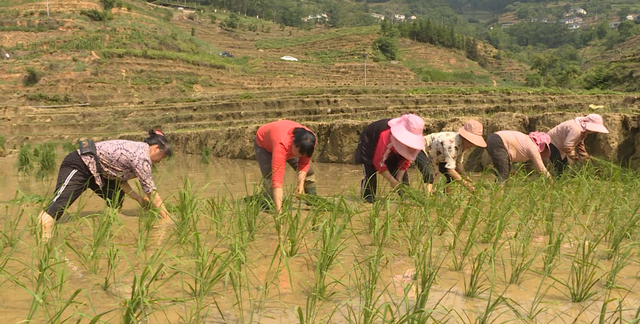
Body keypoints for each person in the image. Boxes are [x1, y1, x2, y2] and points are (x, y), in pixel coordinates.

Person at [38, 130, 173, 240]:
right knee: (59, 205)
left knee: (115, 196)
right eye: (163, 157)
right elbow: (152, 193)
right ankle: (43, 240)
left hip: (96, 171)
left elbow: (120, 180)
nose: (160, 161)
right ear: (156, 149)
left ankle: (111, 227)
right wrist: (167, 219)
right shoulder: (142, 157)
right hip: (80, 165)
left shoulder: (138, 149)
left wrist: (138, 199)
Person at [354, 114, 425, 203]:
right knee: (370, 171)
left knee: (401, 178)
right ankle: (368, 199)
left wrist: (398, 178)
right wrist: (392, 181)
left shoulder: (410, 144)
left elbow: (406, 157)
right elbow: (378, 162)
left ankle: (406, 198)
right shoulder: (386, 135)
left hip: (390, 148)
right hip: (371, 142)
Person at [254, 119, 317, 214]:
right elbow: (277, 180)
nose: (300, 157)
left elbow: (304, 163)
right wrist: (279, 212)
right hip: (264, 143)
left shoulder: (310, 140)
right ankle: (268, 205)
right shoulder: (281, 144)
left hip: (283, 141)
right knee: (270, 176)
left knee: (309, 172)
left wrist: (300, 184)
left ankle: (313, 202)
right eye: (299, 153)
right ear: (294, 144)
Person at [415, 120, 487, 194]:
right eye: (471, 142)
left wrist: (465, 177)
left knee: (452, 177)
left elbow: (458, 163)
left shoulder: (462, 145)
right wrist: (467, 185)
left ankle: (447, 196)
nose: (472, 145)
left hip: (437, 155)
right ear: (465, 138)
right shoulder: (452, 144)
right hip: (420, 147)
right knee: (428, 174)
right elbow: (450, 170)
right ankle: (427, 199)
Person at [486, 131, 552, 182]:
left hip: (493, 138)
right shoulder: (532, 146)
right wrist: (551, 182)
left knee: (502, 171)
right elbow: (541, 169)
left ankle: (497, 192)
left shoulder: (526, 140)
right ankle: (499, 194)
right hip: (499, 141)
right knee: (503, 173)